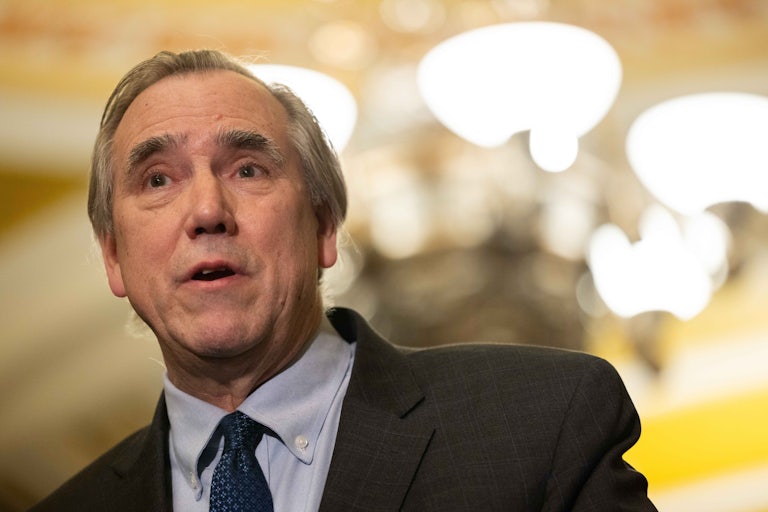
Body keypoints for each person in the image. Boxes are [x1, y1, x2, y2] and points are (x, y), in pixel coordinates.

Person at [30, 49, 656, 512]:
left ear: (325, 226)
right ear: (113, 257)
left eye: (248, 169)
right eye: (158, 180)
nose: (207, 211)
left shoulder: (540, 422)